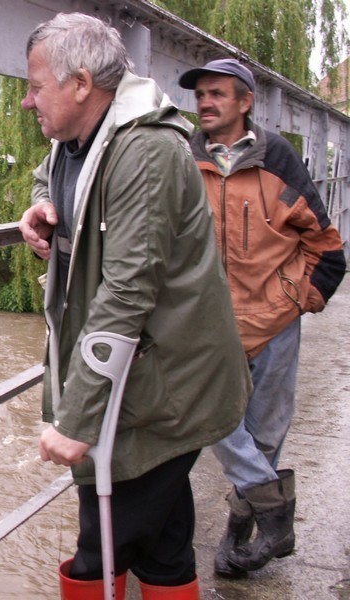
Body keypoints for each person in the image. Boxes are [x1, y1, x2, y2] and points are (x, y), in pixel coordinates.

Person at [19, 13, 251, 600]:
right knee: (164, 542)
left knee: (103, 542)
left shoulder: (145, 149)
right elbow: (50, 176)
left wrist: (76, 420)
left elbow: (128, 292)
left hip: (167, 384)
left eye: (35, 85)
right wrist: (42, 206)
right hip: (146, 377)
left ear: (78, 84)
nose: (27, 101)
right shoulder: (78, 138)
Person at [178, 58, 346, 579]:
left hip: (273, 324)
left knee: (266, 435)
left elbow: (328, 249)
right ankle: (277, 513)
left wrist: (294, 302)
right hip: (208, 327)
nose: (205, 103)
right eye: (200, 94)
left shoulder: (278, 159)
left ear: (245, 101)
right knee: (213, 418)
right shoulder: (182, 158)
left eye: (217, 94)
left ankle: (239, 533)